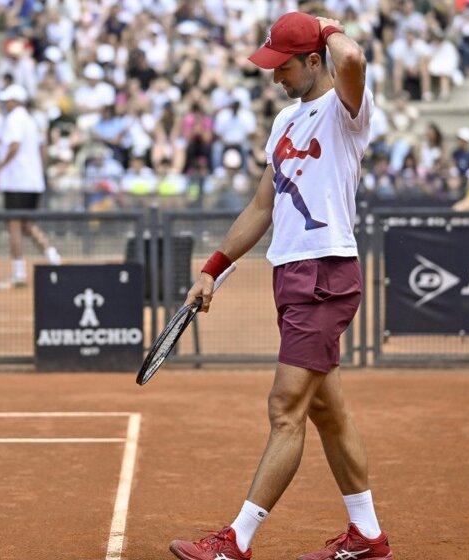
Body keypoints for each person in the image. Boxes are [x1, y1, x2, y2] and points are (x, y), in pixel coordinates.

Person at [169, 12, 394, 560]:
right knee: (326, 411)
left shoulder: (347, 111)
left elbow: (354, 59)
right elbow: (261, 206)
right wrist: (213, 267)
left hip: (325, 273)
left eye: (284, 66)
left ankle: (236, 540)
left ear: (314, 61)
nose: (275, 77)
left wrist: (327, 24)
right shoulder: (284, 121)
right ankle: (367, 535)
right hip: (293, 273)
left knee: (284, 408)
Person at [0, 84, 60, 289]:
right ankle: (52, 255)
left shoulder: (14, 119)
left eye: (7, 100)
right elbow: (40, 149)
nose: (5, 103)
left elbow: (14, 145)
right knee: (26, 223)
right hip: (31, 180)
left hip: (17, 180)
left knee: (14, 224)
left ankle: (18, 272)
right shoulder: (31, 120)